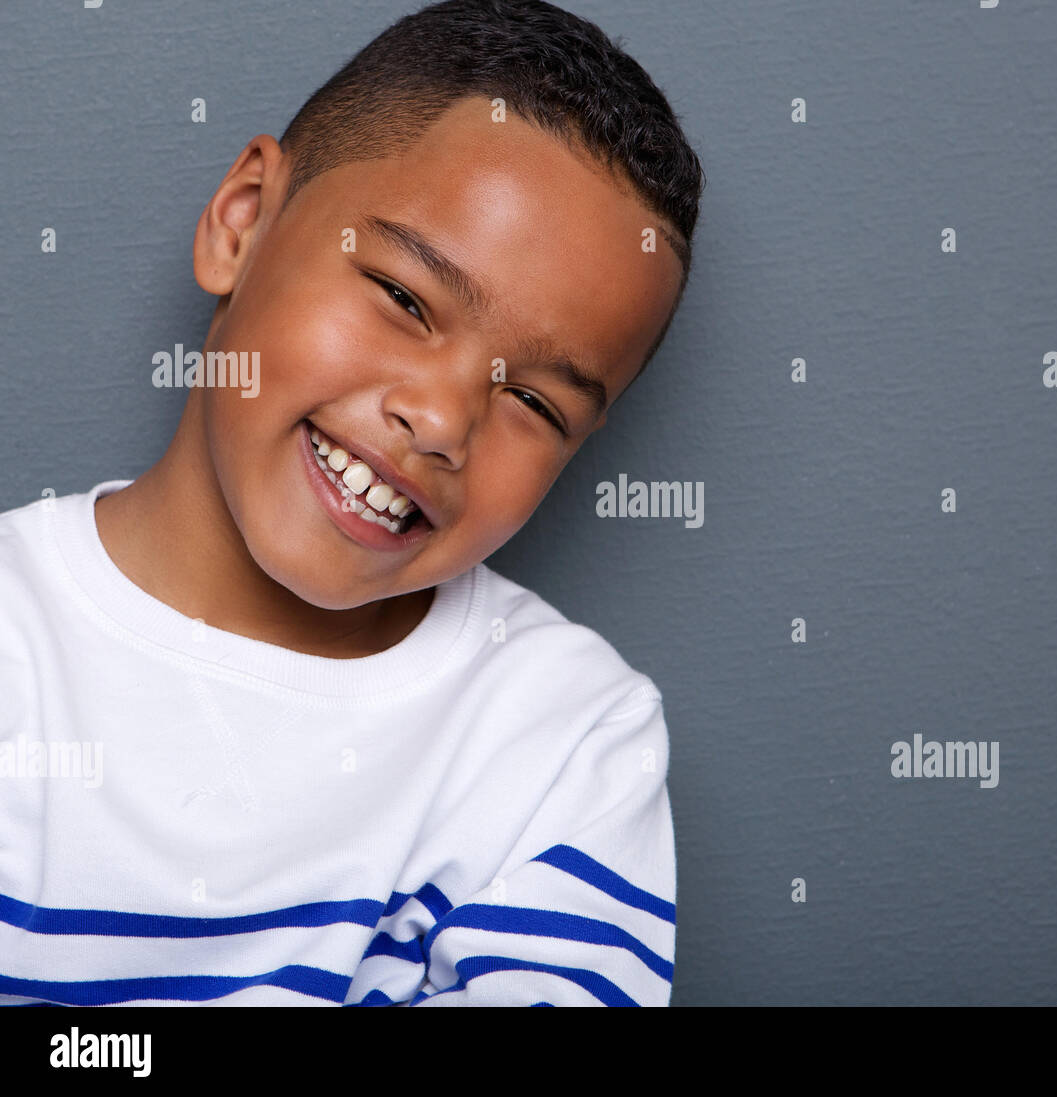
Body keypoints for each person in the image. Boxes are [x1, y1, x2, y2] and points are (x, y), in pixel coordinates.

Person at [0, 0, 704, 1006]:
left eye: (535, 402)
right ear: (243, 223)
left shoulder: (562, 737)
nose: (440, 420)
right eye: (406, 297)